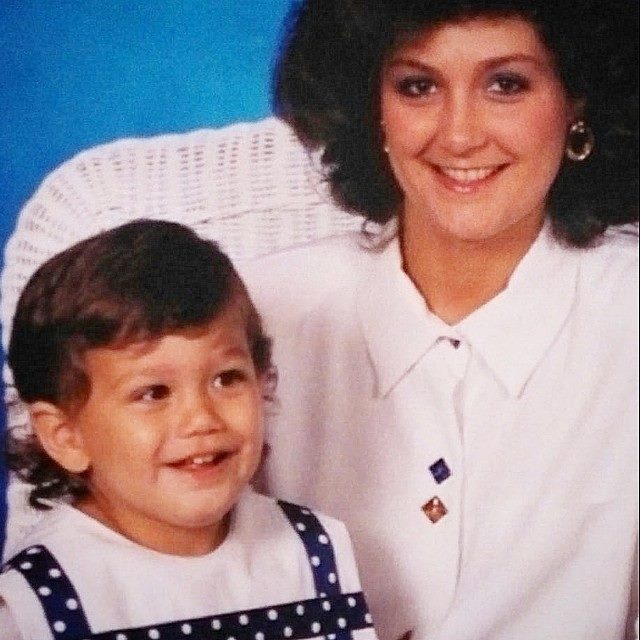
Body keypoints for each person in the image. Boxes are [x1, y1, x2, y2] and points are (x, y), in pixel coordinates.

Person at [236, 1, 639, 639]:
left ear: (577, 103)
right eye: (418, 87)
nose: (458, 136)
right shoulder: (261, 314)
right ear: (373, 108)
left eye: (506, 84)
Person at [0, 220, 377, 640]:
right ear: (66, 437)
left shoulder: (312, 551)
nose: (201, 418)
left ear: (262, 383)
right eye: (154, 393)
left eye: (226, 379)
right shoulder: (35, 604)